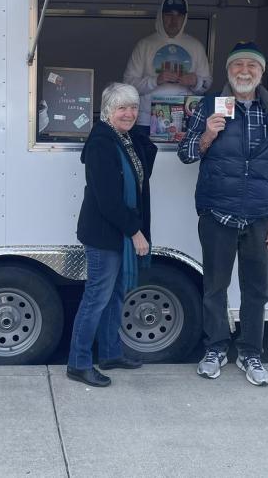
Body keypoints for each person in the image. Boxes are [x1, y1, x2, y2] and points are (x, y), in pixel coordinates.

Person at [177, 41, 268, 386]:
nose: (244, 71)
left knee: (257, 290)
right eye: (237, 65)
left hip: (262, 216)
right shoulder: (210, 106)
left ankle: (251, 353)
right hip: (219, 213)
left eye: (252, 66)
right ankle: (215, 348)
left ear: (261, 72)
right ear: (228, 71)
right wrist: (206, 136)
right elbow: (185, 154)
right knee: (214, 286)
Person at [68, 82, 158, 387]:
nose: (129, 113)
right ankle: (78, 363)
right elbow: (107, 198)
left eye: (133, 107)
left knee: (115, 296)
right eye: (122, 108)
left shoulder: (126, 139)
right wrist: (135, 232)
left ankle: (109, 353)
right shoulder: (101, 143)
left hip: (118, 232)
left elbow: (142, 173)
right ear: (108, 111)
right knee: (96, 298)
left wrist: (141, 139)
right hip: (105, 234)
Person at [124, 0, 213, 136]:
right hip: (148, 121)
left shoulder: (195, 46)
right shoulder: (144, 45)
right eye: (168, 15)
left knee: (183, 158)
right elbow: (128, 85)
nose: (174, 21)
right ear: (160, 16)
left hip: (185, 119)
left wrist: (196, 81)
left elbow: (206, 85)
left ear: (185, 18)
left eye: (179, 16)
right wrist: (156, 80)